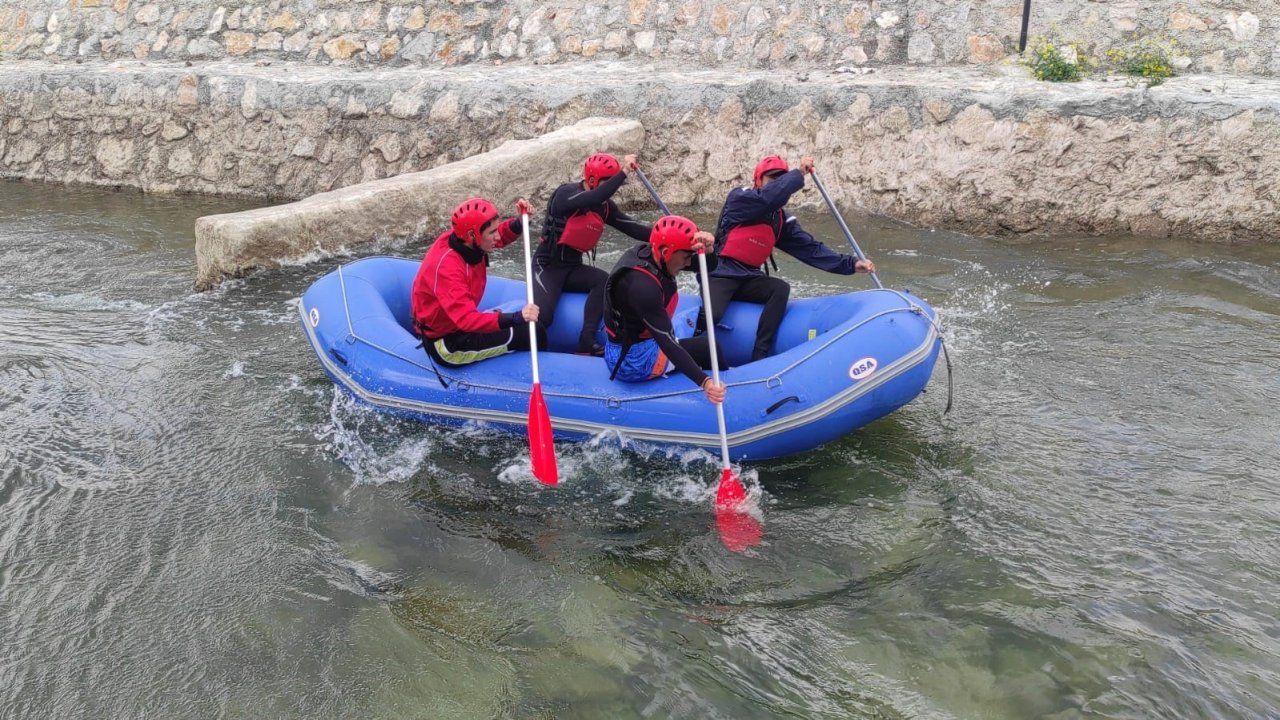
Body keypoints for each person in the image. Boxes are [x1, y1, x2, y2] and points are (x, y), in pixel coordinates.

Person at [705, 155, 876, 361]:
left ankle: (760, 355)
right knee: (712, 315)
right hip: (721, 272)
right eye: (772, 179)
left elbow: (810, 249)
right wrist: (799, 173)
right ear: (758, 180)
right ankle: (693, 342)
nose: (777, 183)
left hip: (749, 277)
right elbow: (769, 197)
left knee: (780, 289)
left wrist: (850, 264)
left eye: (781, 179)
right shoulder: (741, 199)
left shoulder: (781, 220)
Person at [533, 152, 653, 356]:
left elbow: (633, 229)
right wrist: (624, 171)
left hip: (572, 268)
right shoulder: (566, 194)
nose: (611, 190)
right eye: (608, 182)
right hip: (547, 266)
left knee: (603, 281)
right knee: (544, 318)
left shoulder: (605, 208)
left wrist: (666, 235)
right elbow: (595, 195)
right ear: (591, 180)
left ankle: (586, 340)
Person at [601, 215, 727, 405]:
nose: (687, 263)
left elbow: (708, 266)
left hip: (640, 340)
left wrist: (708, 249)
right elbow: (668, 344)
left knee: (687, 328)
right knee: (709, 348)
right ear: (667, 252)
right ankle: (732, 385)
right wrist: (705, 382)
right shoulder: (642, 287)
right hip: (634, 361)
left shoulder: (655, 254)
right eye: (686, 258)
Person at [410, 196, 546, 367]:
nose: (497, 236)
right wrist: (516, 317)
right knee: (534, 332)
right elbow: (467, 319)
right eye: (492, 232)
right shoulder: (447, 269)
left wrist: (518, 223)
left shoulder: (467, 241)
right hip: (450, 342)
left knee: (534, 324)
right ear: (472, 235)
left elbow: (500, 236)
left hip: (459, 326)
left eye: (496, 229)